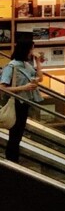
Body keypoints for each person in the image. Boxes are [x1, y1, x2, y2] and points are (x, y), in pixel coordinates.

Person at [0, 34, 43, 162]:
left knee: (18, 135)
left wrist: (38, 62)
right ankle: (11, 161)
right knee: (14, 135)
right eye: (31, 49)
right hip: (16, 103)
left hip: (25, 103)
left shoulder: (26, 65)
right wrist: (23, 88)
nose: (32, 52)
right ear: (25, 49)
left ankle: (14, 160)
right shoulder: (11, 66)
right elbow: (2, 87)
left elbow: (40, 78)